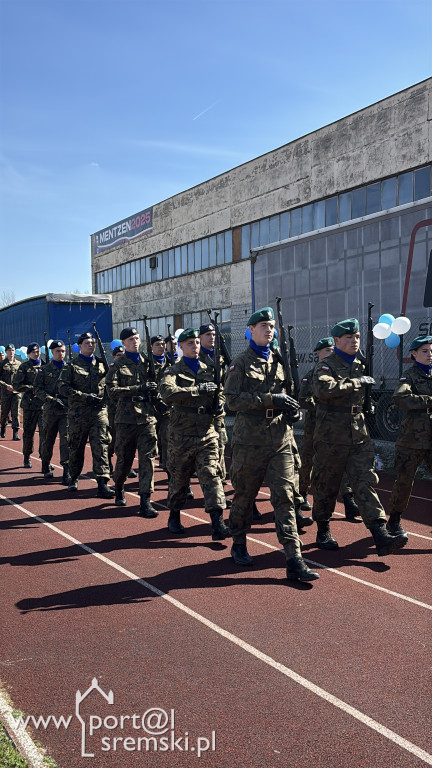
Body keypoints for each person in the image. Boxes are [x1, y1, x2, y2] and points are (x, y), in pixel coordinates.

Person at [223, 307, 319, 582]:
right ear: (251, 330)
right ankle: (238, 543)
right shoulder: (240, 363)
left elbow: (288, 395)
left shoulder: (280, 361)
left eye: (272, 326)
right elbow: (232, 401)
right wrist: (269, 400)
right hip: (250, 441)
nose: (269, 330)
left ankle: (293, 558)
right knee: (245, 495)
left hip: (280, 438)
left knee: (286, 498)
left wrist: (293, 411)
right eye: (263, 325)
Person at [311, 317, 408, 556]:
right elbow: (323, 390)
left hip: (358, 433)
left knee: (365, 481)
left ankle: (379, 533)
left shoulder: (360, 364)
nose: (354, 341)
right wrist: (355, 383)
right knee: (327, 484)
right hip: (331, 436)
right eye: (349, 338)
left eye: (356, 337)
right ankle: (323, 528)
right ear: (336, 341)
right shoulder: (327, 365)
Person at [159, 328, 229, 539]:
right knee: (179, 479)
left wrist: (220, 405)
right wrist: (197, 390)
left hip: (207, 433)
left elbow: (222, 392)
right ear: (180, 347)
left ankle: (218, 523)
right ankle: (174, 515)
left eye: (197, 342)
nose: (195, 346)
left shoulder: (210, 369)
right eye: (189, 343)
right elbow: (166, 392)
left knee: (212, 475)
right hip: (182, 434)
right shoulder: (173, 371)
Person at [298, 337, 360, 521]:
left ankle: (349, 501)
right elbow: (303, 399)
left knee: (344, 463)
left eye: (333, 350)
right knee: (308, 459)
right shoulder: (312, 374)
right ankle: (302, 493)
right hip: (316, 424)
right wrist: (320, 405)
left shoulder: (342, 371)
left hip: (338, 427)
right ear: (318, 353)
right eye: (327, 351)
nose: (331, 353)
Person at [105, 327, 159, 517]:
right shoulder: (117, 366)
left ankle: (145, 500)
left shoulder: (148, 362)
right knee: (124, 460)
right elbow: (112, 392)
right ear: (123, 343)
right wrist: (138, 388)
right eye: (130, 339)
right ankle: (119, 485)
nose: (134, 342)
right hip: (126, 419)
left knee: (148, 459)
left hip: (146, 418)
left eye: (136, 338)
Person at [58, 331, 114, 498]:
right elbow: (62, 387)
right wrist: (83, 397)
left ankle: (102, 483)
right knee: (76, 447)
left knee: (101, 447)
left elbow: (108, 385)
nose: (91, 345)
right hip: (78, 414)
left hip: (98, 413)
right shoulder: (72, 366)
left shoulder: (102, 364)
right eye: (87, 343)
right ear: (80, 346)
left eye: (93, 343)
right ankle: (74, 477)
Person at [386, 335, 432, 535]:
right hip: (412, 440)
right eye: (425, 351)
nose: (430, 355)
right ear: (414, 354)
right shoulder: (409, 376)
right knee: (405, 481)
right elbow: (400, 399)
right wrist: (428, 400)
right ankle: (394, 520)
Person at [34, 340, 70, 484]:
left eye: (62, 351)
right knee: (47, 439)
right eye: (57, 351)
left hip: (66, 410)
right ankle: (46, 463)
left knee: (66, 440)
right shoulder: (44, 369)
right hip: (50, 410)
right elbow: (37, 389)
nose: (60, 354)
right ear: (52, 352)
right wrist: (50, 399)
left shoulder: (70, 368)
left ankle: (66, 470)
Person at [199, 322, 228, 485]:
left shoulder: (220, 358)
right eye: (207, 335)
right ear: (200, 338)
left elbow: (225, 385)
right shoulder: (195, 359)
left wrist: (221, 402)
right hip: (200, 414)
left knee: (220, 447)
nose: (211, 338)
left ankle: (219, 482)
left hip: (217, 413)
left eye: (213, 335)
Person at [14, 343, 45, 468]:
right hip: (29, 405)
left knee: (45, 433)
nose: (36, 354)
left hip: (43, 405)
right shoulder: (24, 367)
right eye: (33, 352)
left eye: (37, 352)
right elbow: (16, 385)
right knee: (28, 433)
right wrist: (32, 388)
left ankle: (45, 459)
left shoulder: (45, 365)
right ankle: (27, 457)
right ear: (28, 354)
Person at [151, 335, 171, 474]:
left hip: (167, 407)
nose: (161, 346)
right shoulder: (147, 364)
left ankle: (167, 466)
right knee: (152, 439)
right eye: (157, 344)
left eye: (163, 344)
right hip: (151, 408)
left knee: (167, 437)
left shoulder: (171, 363)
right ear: (151, 347)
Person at [107, 344, 126, 475]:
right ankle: (108, 460)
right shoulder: (111, 370)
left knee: (124, 440)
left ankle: (126, 464)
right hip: (112, 411)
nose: (120, 357)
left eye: (122, 355)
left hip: (126, 411)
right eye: (118, 355)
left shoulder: (128, 370)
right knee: (112, 439)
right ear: (114, 357)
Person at [0, 343, 21, 440]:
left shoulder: (19, 364)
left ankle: (15, 432)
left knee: (16, 412)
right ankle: (3, 427)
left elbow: (22, 378)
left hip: (16, 392)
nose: (11, 352)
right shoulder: (2, 364)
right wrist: (6, 385)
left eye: (12, 350)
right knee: (4, 413)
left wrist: (17, 387)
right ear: (6, 352)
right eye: (9, 351)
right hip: (5, 392)